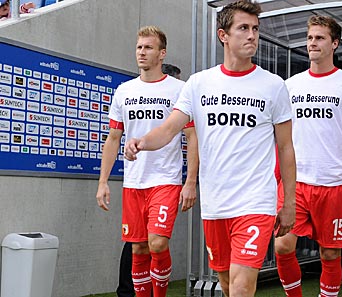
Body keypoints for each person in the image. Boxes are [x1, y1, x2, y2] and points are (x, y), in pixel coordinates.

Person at [124, 1, 297, 296]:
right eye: (244, 28)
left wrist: (289, 202)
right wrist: (141, 142)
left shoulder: (273, 85)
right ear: (223, 35)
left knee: (242, 285)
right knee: (228, 283)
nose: (252, 35)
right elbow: (168, 129)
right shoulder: (199, 83)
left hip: (256, 202)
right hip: (216, 204)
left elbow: (286, 148)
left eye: (255, 29)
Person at [273, 15, 342, 297]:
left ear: (335, 43)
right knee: (282, 245)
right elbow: (279, 138)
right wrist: (275, 179)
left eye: (319, 38)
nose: (312, 43)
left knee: (330, 253)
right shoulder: (290, 85)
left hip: (336, 185)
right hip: (296, 183)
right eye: (309, 38)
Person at [96, 25, 198, 297]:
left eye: (149, 47)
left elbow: (192, 137)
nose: (142, 52)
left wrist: (190, 182)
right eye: (139, 47)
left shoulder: (180, 89)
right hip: (133, 182)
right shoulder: (124, 91)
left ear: (162, 53)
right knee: (138, 248)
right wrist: (103, 182)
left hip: (165, 180)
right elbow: (114, 138)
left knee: (157, 243)